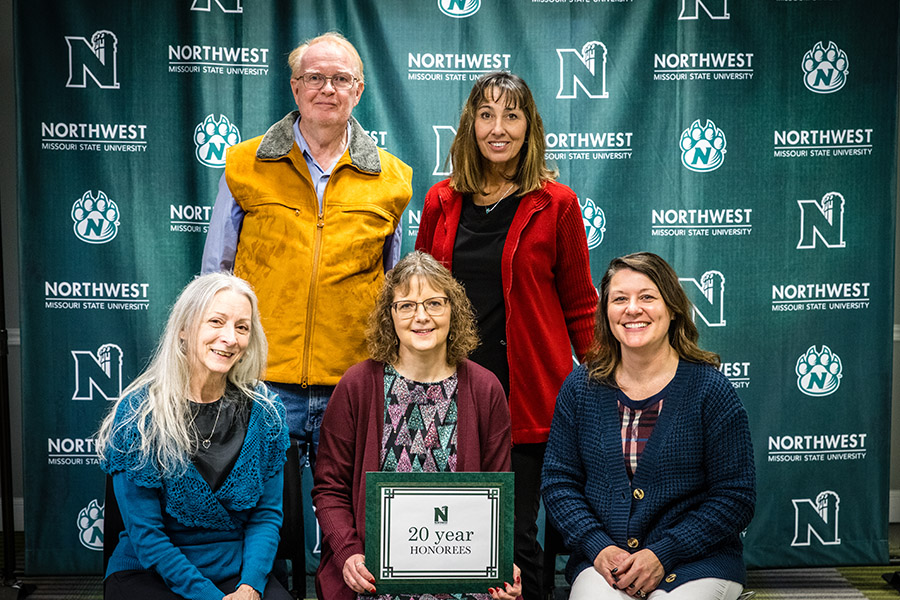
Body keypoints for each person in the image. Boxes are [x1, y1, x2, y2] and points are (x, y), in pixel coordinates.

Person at [415, 71, 597, 600]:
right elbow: (420, 295)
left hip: (529, 399)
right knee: (454, 539)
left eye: (511, 115)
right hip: (447, 397)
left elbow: (581, 303)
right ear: (471, 124)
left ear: (529, 126)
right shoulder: (440, 201)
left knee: (515, 542)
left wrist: (605, 382)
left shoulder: (556, 203)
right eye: (487, 114)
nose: (499, 127)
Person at [201, 31, 413, 467]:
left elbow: (394, 288)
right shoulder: (245, 165)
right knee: (262, 515)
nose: (327, 89)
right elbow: (215, 276)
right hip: (258, 378)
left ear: (358, 90)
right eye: (314, 77)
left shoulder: (393, 179)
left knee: (348, 521)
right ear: (295, 87)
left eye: (340, 79)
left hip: (353, 379)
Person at [541, 252, 756, 600]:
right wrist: (598, 547)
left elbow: (735, 497)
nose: (632, 309)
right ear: (605, 313)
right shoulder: (581, 387)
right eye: (620, 299)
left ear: (672, 308)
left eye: (647, 297)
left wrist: (664, 552)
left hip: (696, 563)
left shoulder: (711, 390)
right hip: (606, 563)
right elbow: (558, 483)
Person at [312, 251, 523, 600]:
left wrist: (500, 563)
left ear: (453, 311)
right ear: (389, 317)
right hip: (375, 578)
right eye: (406, 305)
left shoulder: (486, 390)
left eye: (434, 304)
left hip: (461, 578)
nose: (421, 317)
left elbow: (497, 500)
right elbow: (329, 488)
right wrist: (348, 554)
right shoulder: (358, 385)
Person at [96, 273, 291, 600]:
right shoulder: (138, 414)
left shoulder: (267, 411)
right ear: (184, 329)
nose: (229, 338)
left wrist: (250, 586)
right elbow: (147, 536)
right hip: (150, 570)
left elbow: (266, 516)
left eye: (241, 327)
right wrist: (209, 597)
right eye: (216, 321)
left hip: (239, 571)